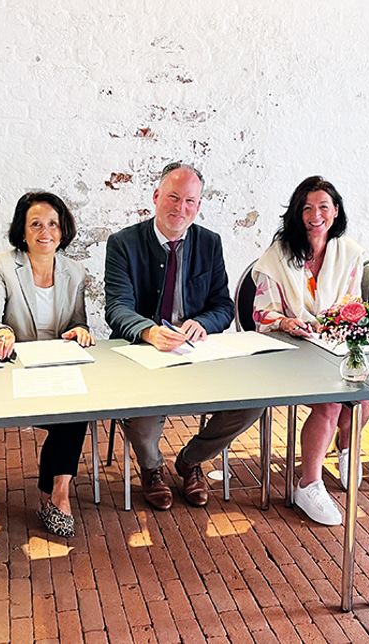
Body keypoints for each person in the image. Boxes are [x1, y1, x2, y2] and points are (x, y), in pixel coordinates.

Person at [103, 162, 263, 511]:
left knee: (254, 400)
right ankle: (151, 468)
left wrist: (203, 322)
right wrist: (148, 331)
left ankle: (191, 460)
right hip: (143, 353)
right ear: (156, 197)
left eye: (190, 201)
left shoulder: (209, 242)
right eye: (173, 198)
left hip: (196, 352)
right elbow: (116, 307)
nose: (180, 208)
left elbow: (223, 304)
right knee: (141, 416)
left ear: (199, 206)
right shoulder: (123, 244)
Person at [252, 175, 369, 525]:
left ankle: (346, 446)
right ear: (297, 213)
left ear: (335, 211)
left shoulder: (349, 252)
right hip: (288, 347)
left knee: (363, 396)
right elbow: (261, 312)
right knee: (332, 399)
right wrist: (288, 322)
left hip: (331, 344)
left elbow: (353, 303)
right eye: (307, 208)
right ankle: (309, 484)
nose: (315, 215)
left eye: (323, 207)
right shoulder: (278, 254)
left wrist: (337, 324)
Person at [0, 191, 93, 537]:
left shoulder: (74, 271)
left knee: (77, 407)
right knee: (71, 413)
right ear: (23, 231)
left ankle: (57, 493)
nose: (46, 232)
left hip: (57, 369)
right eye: (36, 224)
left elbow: (78, 322)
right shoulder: (2, 264)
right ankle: (53, 491)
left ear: (63, 229)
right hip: (16, 371)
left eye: (53, 224)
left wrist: (80, 332)